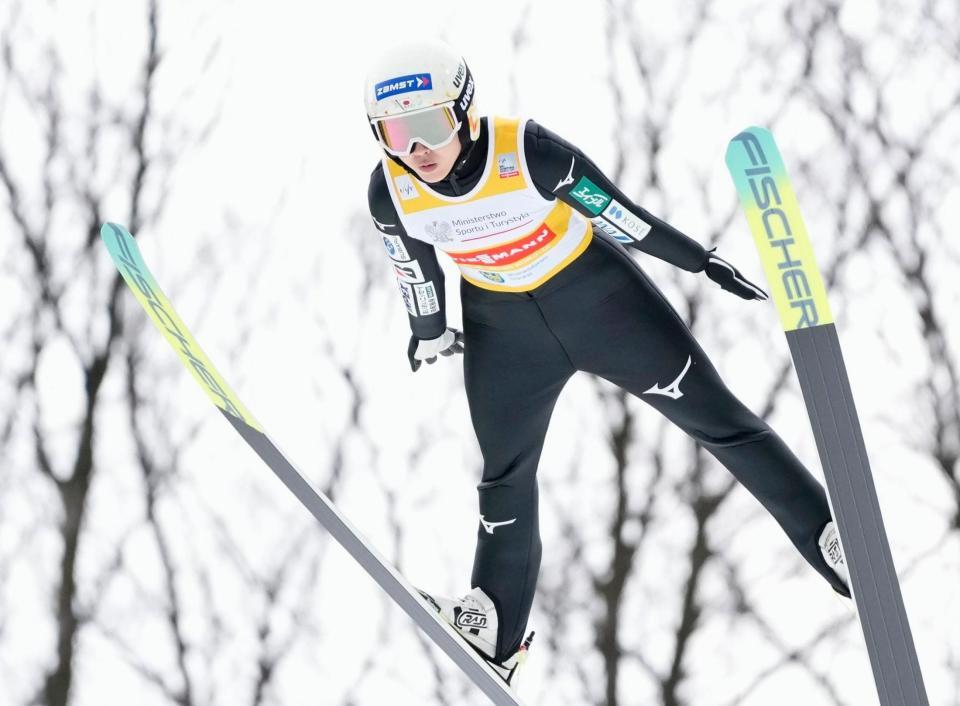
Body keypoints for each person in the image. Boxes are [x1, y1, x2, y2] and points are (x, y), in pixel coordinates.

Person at [363, 40, 850, 688]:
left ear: (465, 112)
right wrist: (426, 333)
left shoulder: (525, 150)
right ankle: (495, 627)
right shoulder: (391, 190)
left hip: (598, 301)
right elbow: (413, 271)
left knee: (717, 418)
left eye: (429, 126)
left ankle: (829, 537)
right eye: (395, 134)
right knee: (505, 474)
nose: (416, 149)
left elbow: (621, 217)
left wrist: (698, 259)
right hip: (503, 332)